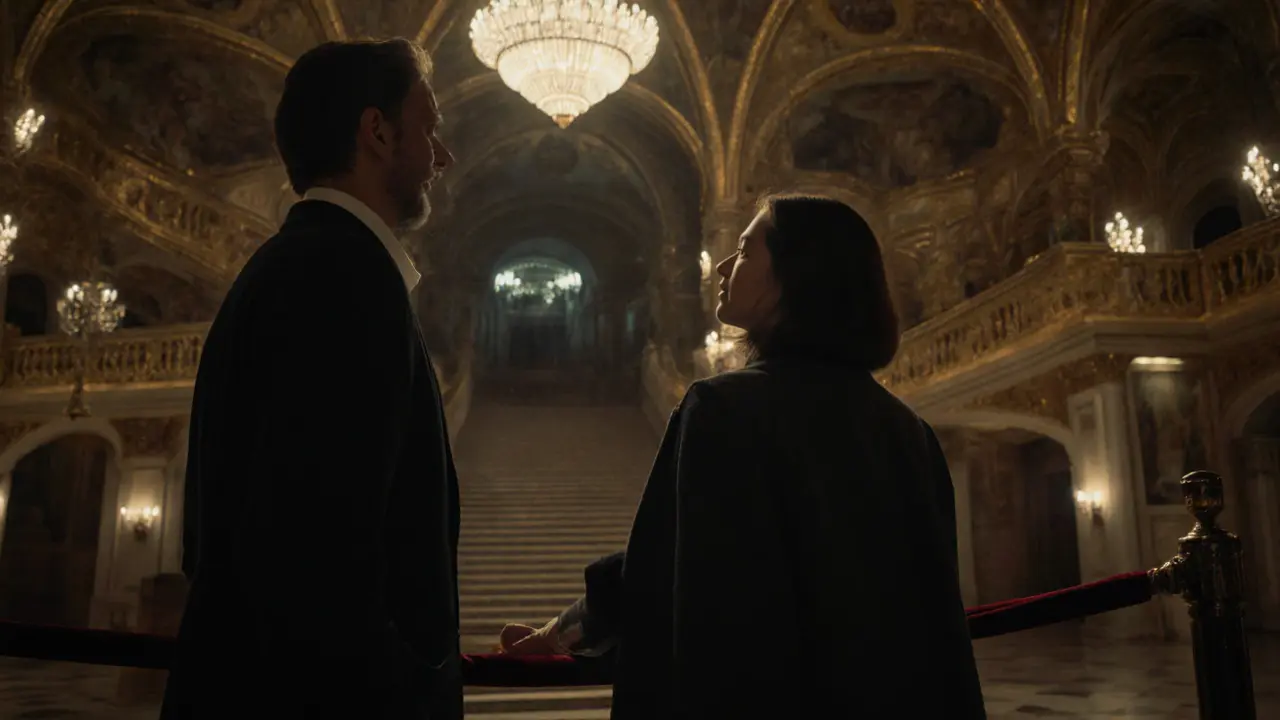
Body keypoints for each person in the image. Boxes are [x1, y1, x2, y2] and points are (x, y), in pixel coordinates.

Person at [500, 195, 987, 718]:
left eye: (745, 252)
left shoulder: (722, 408)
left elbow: (667, 567)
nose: (725, 267)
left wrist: (563, 633)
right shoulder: (909, 430)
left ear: (795, 275)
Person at [161, 38, 459, 719]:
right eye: (430, 129)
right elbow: (316, 563)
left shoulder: (288, 268)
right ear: (377, 132)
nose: (443, 157)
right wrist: (407, 689)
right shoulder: (345, 281)